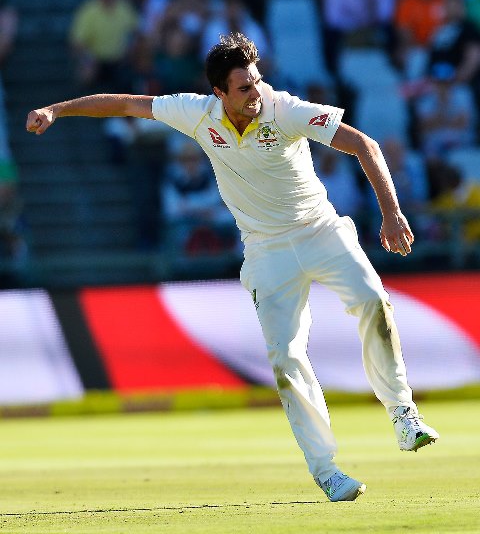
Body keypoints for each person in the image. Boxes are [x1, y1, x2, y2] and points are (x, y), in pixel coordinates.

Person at [26, 32, 439, 503]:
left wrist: (391, 212)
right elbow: (123, 103)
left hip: (321, 230)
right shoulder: (197, 113)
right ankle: (326, 469)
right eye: (244, 88)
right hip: (266, 251)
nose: (255, 94)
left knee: (371, 301)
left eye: (257, 82)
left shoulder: (285, 109)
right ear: (218, 93)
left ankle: (403, 415)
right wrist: (57, 109)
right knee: (285, 357)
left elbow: (364, 145)